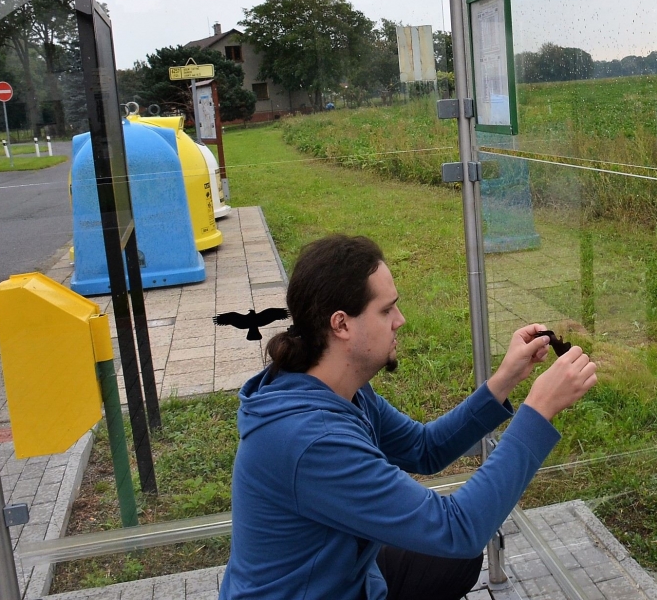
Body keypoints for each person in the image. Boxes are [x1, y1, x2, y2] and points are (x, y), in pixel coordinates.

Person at [220, 234, 598, 600]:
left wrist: (505, 380)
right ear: (341, 324)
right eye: (386, 310)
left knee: (452, 561)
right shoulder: (311, 439)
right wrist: (538, 411)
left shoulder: (336, 389)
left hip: (345, 578)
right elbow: (457, 528)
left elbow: (424, 448)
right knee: (452, 543)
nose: (400, 320)